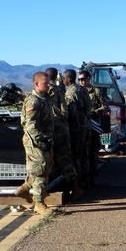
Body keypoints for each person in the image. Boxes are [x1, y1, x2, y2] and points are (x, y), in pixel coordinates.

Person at [15, 71, 57, 216]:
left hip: (45, 139)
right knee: (40, 171)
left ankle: (24, 189)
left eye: (49, 83)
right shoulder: (34, 101)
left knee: (45, 168)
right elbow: (30, 126)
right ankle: (39, 203)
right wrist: (41, 140)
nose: (48, 86)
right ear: (37, 83)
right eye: (45, 83)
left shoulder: (44, 99)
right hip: (36, 142)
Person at [45, 67, 84, 200]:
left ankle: (75, 187)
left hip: (57, 129)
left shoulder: (50, 90)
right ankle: (75, 185)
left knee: (63, 160)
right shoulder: (60, 89)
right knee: (66, 159)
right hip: (62, 128)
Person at [63, 69, 91, 187]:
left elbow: (71, 113)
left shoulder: (71, 92)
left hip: (77, 128)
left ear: (68, 79)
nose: (62, 80)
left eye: (64, 78)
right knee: (84, 155)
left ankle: (78, 183)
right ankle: (87, 179)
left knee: (76, 157)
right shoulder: (83, 90)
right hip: (86, 125)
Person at [78, 69, 106, 187]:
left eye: (83, 79)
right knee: (82, 152)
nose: (81, 82)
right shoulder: (77, 92)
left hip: (93, 125)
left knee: (93, 151)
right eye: (79, 80)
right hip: (81, 126)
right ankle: (83, 178)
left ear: (88, 79)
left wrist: (95, 112)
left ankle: (92, 176)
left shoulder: (96, 92)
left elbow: (105, 106)